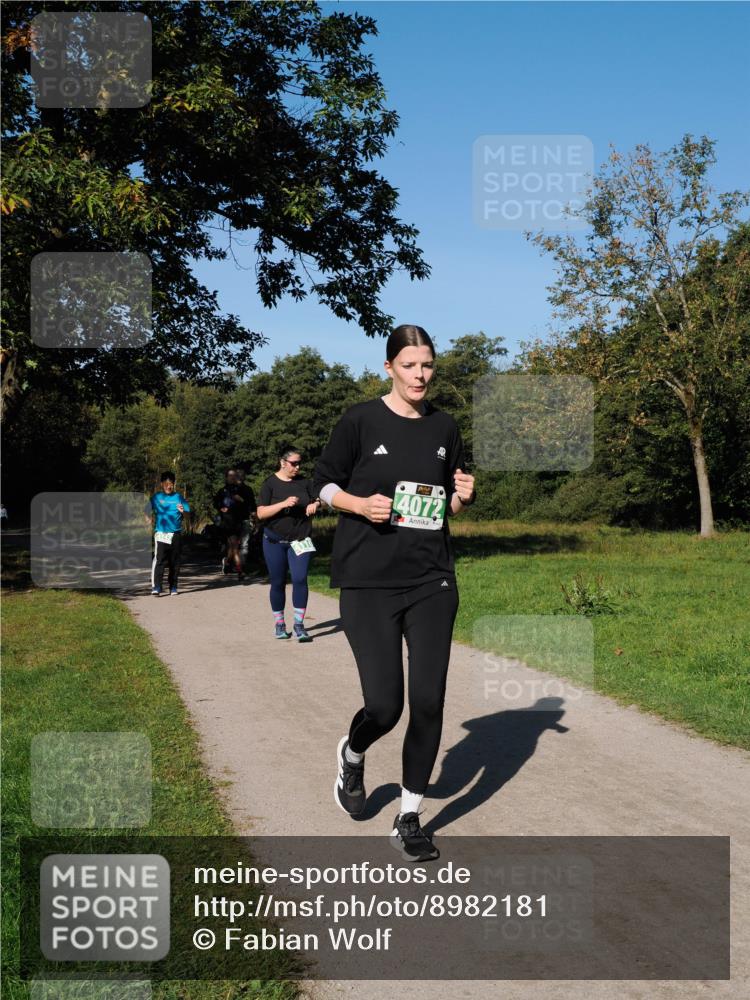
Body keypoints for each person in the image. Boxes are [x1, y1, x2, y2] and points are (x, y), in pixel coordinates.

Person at [312, 324, 476, 862]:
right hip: (368, 582)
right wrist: (358, 505)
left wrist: (462, 498)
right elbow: (325, 484)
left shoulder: (446, 427)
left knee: (428, 701)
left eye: (427, 364)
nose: (420, 374)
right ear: (388, 368)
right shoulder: (359, 420)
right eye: (409, 365)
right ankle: (353, 753)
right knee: (386, 706)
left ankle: (409, 817)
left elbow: (441, 505)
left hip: (432, 579)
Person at [256, 446, 321, 641]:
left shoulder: (305, 482)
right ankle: (279, 624)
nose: (297, 467)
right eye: (294, 463)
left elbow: (319, 498)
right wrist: (283, 504)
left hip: (300, 540)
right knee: (278, 582)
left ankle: (299, 625)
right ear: (282, 462)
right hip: (274, 541)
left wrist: (315, 504)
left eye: (299, 463)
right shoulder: (270, 484)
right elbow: (261, 513)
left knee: (300, 579)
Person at [150, 472, 191, 595]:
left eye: (171, 484)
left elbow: (188, 516)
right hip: (161, 533)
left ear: (174, 484)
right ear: (162, 484)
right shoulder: (156, 497)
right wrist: (148, 519)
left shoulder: (179, 498)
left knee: (175, 562)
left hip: (176, 534)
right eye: (166, 484)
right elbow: (146, 510)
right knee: (160, 560)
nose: (169, 486)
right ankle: (157, 587)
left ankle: (173, 587)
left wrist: (183, 512)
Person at [213, 468, 255, 581]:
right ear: (226, 477)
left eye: (234, 475)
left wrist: (241, 500)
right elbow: (216, 503)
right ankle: (240, 570)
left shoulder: (242, 489)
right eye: (230, 475)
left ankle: (226, 562)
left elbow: (249, 504)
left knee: (233, 547)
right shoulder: (222, 491)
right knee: (235, 546)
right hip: (228, 522)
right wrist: (221, 508)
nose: (232, 477)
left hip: (240, 521)